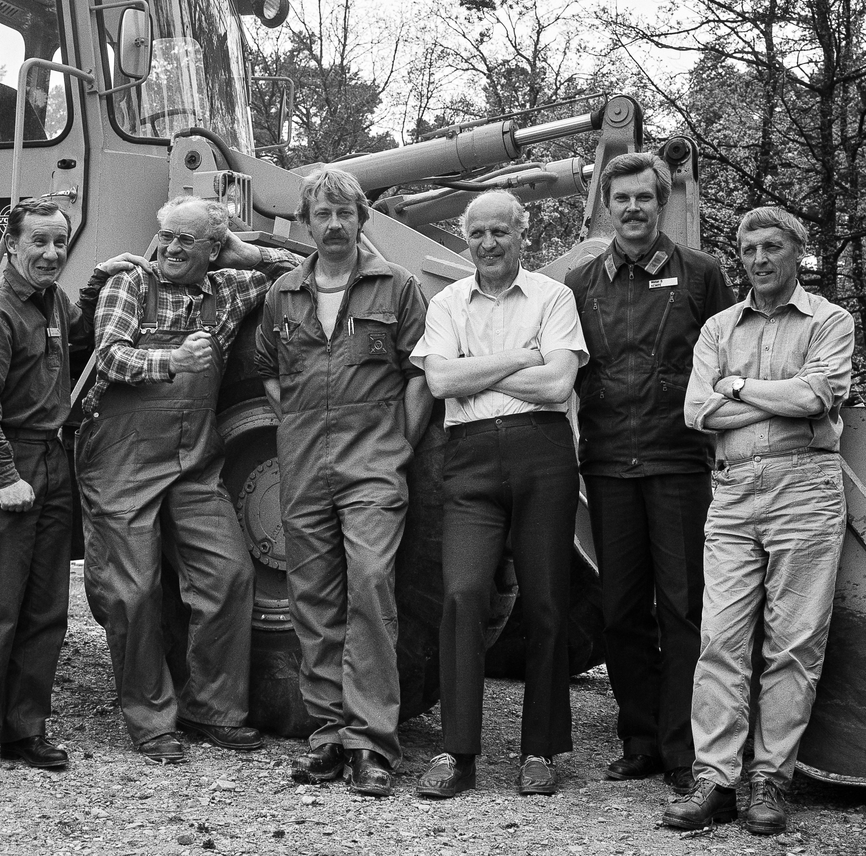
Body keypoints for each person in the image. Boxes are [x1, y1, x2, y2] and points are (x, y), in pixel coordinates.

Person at [76, 195, 298, 765]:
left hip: (193, 464)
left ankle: (211, 709)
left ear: (211, 249)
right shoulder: (130, 285)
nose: (171, 249)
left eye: (187, 241)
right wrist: (173, 360)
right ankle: (151, 722)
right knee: (132, 592)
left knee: (228, 573)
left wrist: (248, 252)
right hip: (122, 461)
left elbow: (297, 274)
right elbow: (109, 359)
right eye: (167, 237)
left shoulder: (229, 290)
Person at [664, 206, 855, 835]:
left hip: (806, 488)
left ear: (796, 251)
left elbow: (813, 398)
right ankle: (715, 780)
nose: (759, 259)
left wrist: (737, 387)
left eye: (772, 247)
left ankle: (770, 779)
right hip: (734, 489)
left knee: (793, 644)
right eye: (748, 250)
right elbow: (696, 412)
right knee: (720, 639)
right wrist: (775, 399)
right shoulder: (719, 326)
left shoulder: (830, 320)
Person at [0, 196, 140, 775]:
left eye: (60, 242)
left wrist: (105, 276)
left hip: (51, 463)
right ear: (10, 244)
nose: (51, 253)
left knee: (47, 610)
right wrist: (6, 478)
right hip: (0, 465)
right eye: (39, 242)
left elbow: (81, 333)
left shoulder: (51, 301)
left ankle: (25, 731)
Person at [254, 167, 431, 797]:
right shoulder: (284, 294)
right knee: (314, 599)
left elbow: (419, 373)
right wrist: (298, 428)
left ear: (361, 220)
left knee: (372, 588)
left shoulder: (398, 287)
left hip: (373, 465)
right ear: (307, 223)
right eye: (322, 215)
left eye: (344, 214)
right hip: (303, 466)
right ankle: (329, 735)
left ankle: (371, 743)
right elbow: (271, 373)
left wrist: (398, 444)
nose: (333, 226)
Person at [564, 153, 734, 793]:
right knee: (622, 608)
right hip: (607, 465)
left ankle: (684, 746)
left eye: (644, 198)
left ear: (662, 205)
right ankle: (638, 740)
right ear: (606, 206)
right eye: (621, 199)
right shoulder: (581, 286)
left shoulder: (701, 276)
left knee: (684, 605)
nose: (632, 209)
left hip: (679, 462)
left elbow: (725, 356)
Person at [411, 190, 587, 798]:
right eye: (478, 233)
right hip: (470, 461)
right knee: (462, 594)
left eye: (500, 232)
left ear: (521, 235)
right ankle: (456, 752)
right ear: (466, 237)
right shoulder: (446, 301)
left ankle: (539, 750)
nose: (488, 244)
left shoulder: (554, 297)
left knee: (545, 601)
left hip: (543, 456)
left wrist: (476, 367)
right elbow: (439, 380)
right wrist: (521, 358)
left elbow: (558, 381)